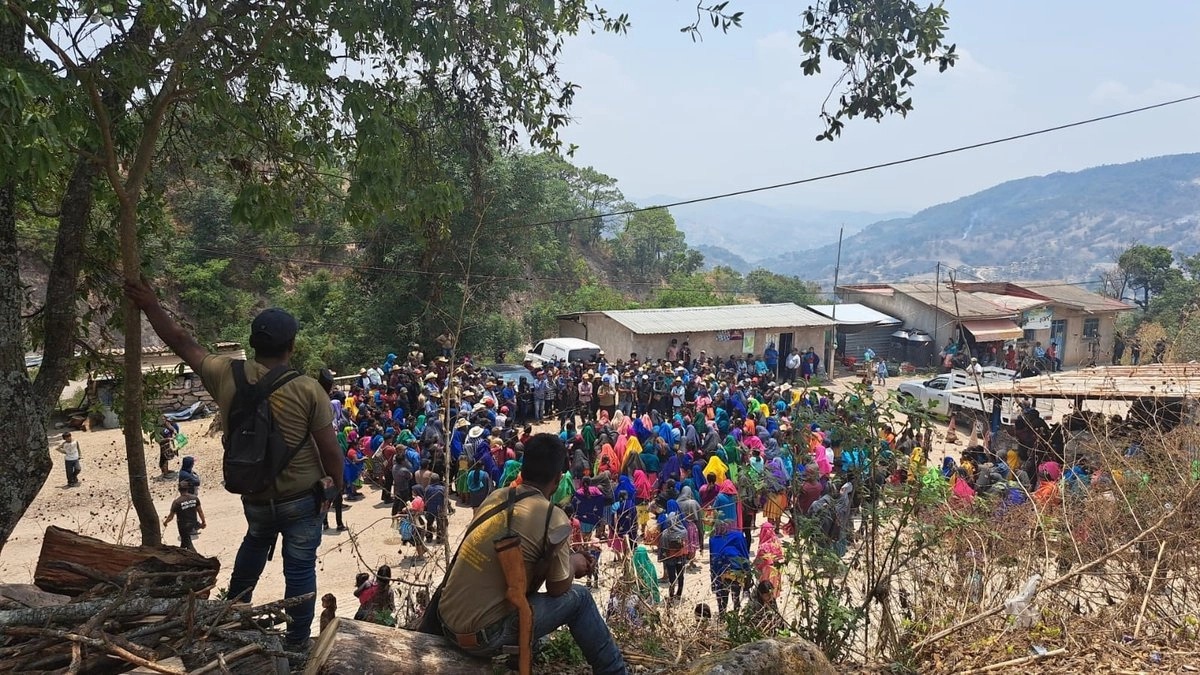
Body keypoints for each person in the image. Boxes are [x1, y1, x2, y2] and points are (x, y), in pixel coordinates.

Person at [127, 282, 343, 651]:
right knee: (300, 569)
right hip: (299, 499)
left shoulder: (227, 373)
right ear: (292, 347)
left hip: (254, 495)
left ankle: (231, 615)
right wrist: (334, 488)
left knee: (254, 545)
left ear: (253, 343)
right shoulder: (309, 389)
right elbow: (330, 450)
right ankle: (295, 645)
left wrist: (149, 303)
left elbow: (180, 340)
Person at [439, 433, 627, 674]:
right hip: (484, 637)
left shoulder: (496, 497)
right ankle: (615, 671)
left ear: (522, 468)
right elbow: (558, 589)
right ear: (558, 479)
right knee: (580, 599)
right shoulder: (553, 516)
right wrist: (574, 562)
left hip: (448, 624)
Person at [163, 481, 206, 552]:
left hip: (183, 527)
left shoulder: (177, 502)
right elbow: (200, 511)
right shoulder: (194, 498)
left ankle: (196, 559)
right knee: (184, 543)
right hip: (194, 524)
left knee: (189, 546)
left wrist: (165, 522)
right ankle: (181, 554)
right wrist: (203, 522)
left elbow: (171, 517)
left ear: (179, 490)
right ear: (188, 488)